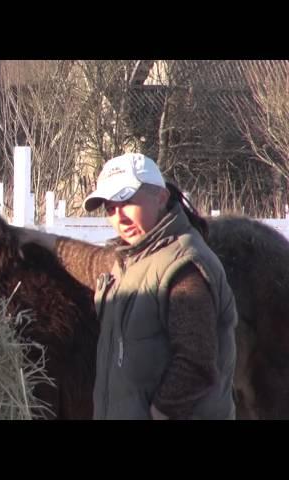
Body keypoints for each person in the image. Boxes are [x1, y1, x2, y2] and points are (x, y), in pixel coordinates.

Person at [18, 153, 237, 420]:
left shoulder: (183, 268)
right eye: (110, 208)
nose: (118, 217)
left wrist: (162, 411)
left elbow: (196, 364)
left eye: (127, 201)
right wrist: (42, 241)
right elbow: (93, 262)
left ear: (161, 197)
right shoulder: (135, 257)